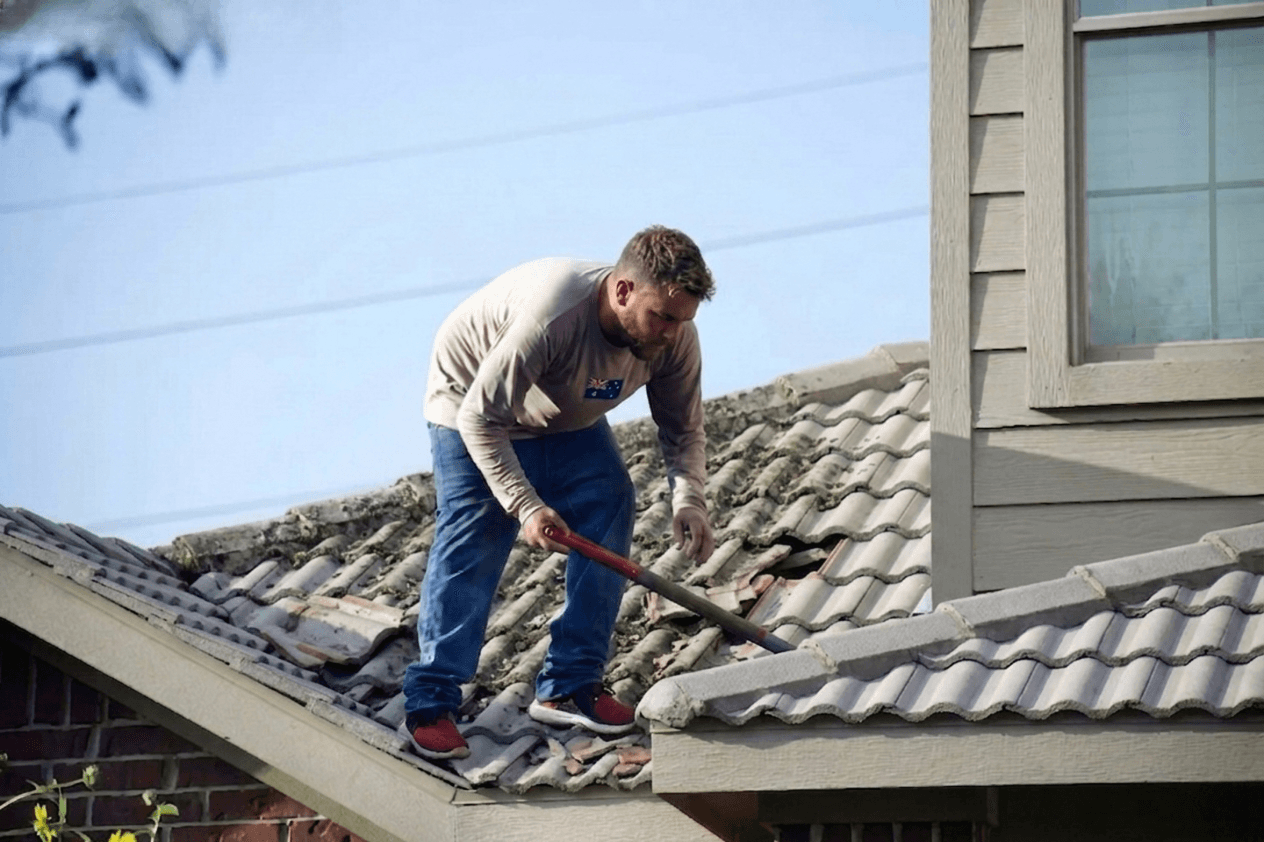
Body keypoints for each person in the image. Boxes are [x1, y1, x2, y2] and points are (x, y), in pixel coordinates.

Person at [400, 225, 717, 760]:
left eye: (682, 319)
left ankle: (570, 683)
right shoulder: (552, 317)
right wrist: (524, 505)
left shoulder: (674, 336)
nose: (670, 332)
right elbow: (481, 418)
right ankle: (431, 699)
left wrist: (689, 497)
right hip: (471, 402)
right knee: (478, 527)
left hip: (559, 413)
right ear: (622, 292)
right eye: (660, 317)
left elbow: (683, 429)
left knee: (610, 499)